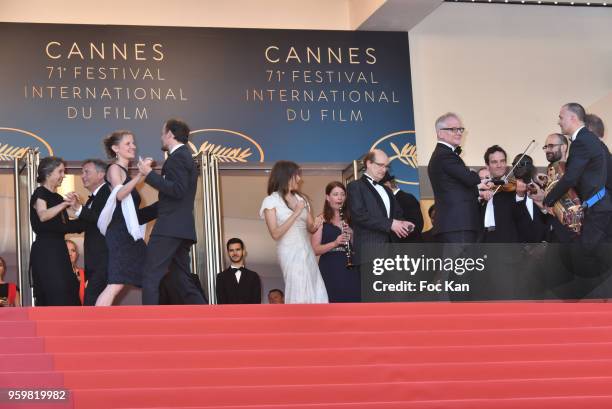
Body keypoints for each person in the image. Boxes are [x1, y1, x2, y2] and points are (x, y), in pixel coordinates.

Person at [137, 119, 206, 305]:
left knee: (150, 275)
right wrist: (138, 217)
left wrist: (148, 174)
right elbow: (172, 199)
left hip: (169, 229)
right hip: (181, 229)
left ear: (170, 134)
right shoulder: (185, 157)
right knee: (182, 280)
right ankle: (206, 319)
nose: (161, 137)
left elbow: (177, 190)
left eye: (162, 133)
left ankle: (149, 326)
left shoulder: (178, 157)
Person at [544, 103, 612, 251]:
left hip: (597, 211)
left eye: (561, 118)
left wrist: (549, 199)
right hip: (604, 208)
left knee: (586, 258)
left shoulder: (581, 141)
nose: (559, 122)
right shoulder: (595, 142)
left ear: (572, 118)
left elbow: (570, 178)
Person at [260, 160, 328, 304]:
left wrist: (317, 222)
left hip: (307, 250)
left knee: (314, 285)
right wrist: (296, 212)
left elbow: (310, 227)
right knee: (298, 285)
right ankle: (299, 322)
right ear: (286, 176)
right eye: (296, 175)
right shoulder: (271, 201)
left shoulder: (300, 199)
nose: (299, 178)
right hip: (289, 251)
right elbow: (275, 234)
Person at [96, 131, 148, 306]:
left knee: (150, 273)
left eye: (133, 143)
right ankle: (96, 324)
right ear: (115, 148)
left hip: (128, 233)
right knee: (116, 283)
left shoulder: (126, 172)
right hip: (119, 233)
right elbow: (119, 195)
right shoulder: (113, 169)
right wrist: (140, 176)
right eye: (128, 144)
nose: (133, 146)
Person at [427, 113, 491, 243]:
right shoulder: (445, 155)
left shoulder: (443, 155)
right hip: (457, 225)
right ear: (440, 133)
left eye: (460, 129)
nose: (459, 133)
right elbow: (471, 179)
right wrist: (473, 174)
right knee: (459, 263)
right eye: (453, 129)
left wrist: (477, 191)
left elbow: (455, 189)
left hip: (455, 226)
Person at [29, 156, 83, 306]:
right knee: (54, 289)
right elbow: (43, 215)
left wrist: (77, 206)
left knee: (68, 288)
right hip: (46, 250)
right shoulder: (40, 193)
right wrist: (64, 204)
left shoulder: (58, 197)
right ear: (48, 173)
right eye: (60, 171)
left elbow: (69, 219)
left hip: (59, 249)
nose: (63, 175)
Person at [347, 149, 413, 266]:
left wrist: (404, 224)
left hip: (392, 253)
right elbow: (359, 215)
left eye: (386, 166)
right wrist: (390, 224)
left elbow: (397, 215)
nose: (384, 170)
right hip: (369, 252)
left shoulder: (387, 190)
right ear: (368, 163)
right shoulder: (355, 186)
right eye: (380, 165)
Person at [68, 159, 111, 305]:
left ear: (100, 175)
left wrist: (79, 209)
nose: (82, 176)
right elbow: (84, 224)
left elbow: (100, 220)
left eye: (87, 172)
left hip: (104, 260)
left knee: (91, 302)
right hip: (95, 262)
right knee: (94, 303)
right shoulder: (93, 198)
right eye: (82, 172)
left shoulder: (108, 193)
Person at [311, 181, 360, 303]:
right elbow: (315, 249)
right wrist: (335, 243)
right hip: (330, 266)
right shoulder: (320, 219)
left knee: (353, 299)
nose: (340, 198)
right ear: (328, 197)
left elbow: (358, 247)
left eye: (342, 194)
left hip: (351, 266)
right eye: (336, 194)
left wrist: (352, 235)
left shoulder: (352, 219)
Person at [480, 145, 518, 243]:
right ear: (487, 166)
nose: (499, 165)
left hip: (508, 242)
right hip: (483, 241)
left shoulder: (513, 187)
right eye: (494, 162)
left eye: (502, 161)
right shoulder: (481, 187)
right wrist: (480, 195)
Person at [381, 173, 424, 243]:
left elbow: (416, 225)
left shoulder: (406, 198)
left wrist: (398, 228)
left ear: (387, 184)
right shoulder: (389, 201)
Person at [216, 238, 262, 304]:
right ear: (228, 253)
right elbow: (221, 303)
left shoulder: (253, 276)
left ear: (243, 252)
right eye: (231, 250)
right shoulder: (221, 277)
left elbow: (256, 302)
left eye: (238, 249)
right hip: (229, 314)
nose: (235, 253)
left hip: (249, 314)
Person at [66, 239, 86, 305]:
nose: (70, 253)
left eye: (73, 250)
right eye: (66, 250)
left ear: (77, 255)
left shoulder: (84, 273)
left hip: (80, 312)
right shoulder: (56, 274)